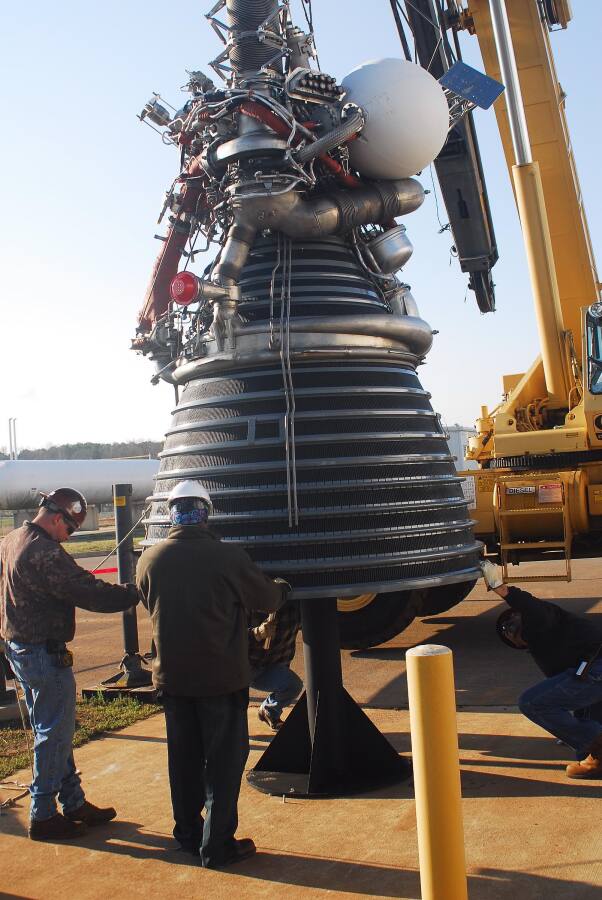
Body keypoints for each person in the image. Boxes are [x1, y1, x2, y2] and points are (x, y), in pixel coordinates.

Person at [136, 479, 289, 869]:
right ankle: (216, 846)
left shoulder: (148, 560)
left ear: (171, 514)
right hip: (221, 681)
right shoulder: (228, 557)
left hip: (172, 681)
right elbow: (267, 598)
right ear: (205, 513)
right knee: (223, 765)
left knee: (183, 761)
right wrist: (283, 588)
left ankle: (188, 835)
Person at [0, 488, 141, 840]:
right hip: (43, 655)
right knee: (54, 734)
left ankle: (74, 802)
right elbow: (89, 592)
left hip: (20, 649)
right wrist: (135, 592)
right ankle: (43, 814)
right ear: (57, 517)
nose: (70, 536)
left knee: (54, 731)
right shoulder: (44, 551)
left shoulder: (12, 538)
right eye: (72, 529)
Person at [480, 559, 602, 778]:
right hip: (592, 671)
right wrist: (569, 730)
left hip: (596, 665)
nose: (510, 629)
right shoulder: (546, 650)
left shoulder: (544, 619)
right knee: (583, 749)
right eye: (507, 632)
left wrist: (502, 589)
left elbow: (530, 606)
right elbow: (572, 695)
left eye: (511, 623)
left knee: (533, 703)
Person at [249, 598, 303, 731]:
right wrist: (258, 632)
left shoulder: (296, 608)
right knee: (233, 705)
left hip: (271, 668)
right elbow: (230, 634)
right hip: (245, 667)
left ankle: (269, 710)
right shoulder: (251, 603)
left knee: (293, 685)